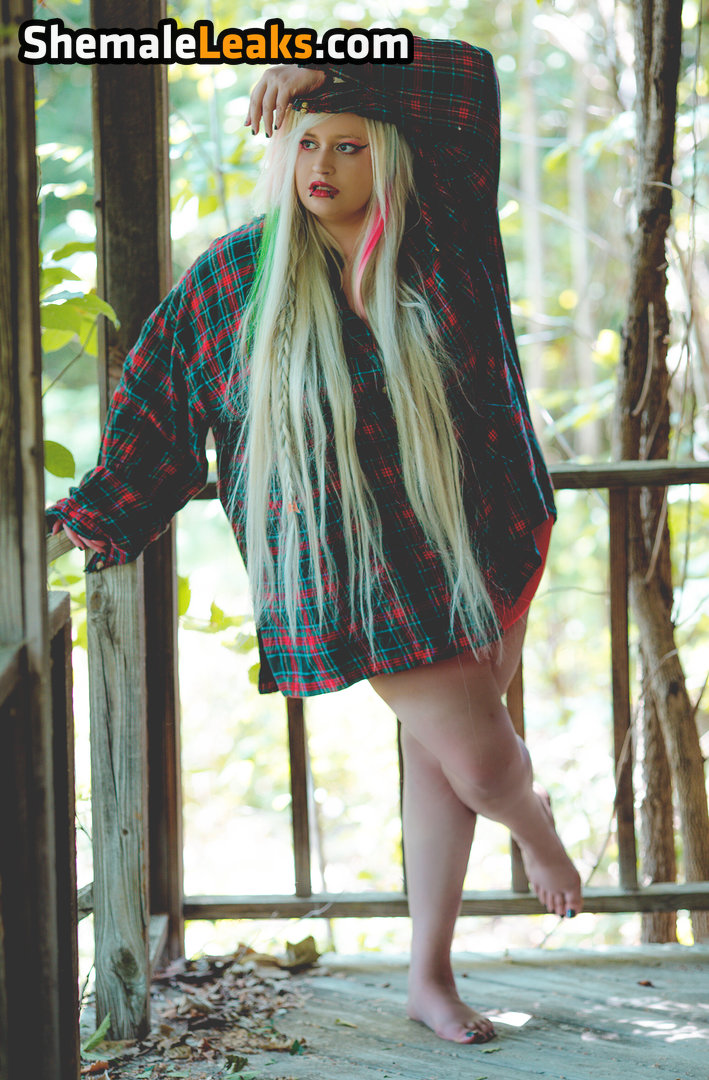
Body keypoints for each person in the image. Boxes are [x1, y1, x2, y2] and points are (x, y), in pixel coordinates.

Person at [48, 35, 582, 1045]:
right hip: (360, 578)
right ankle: (538, 827)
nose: (321, 166)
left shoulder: (442, 225)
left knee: (439, 762)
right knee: (481, 765)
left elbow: (464, 77)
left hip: (483, 533)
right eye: (305, 144)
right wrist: (97, 513)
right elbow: (159, 402)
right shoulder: (236, 278)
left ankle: (428, 976)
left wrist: (310, 64)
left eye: (345, 144)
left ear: (388, 154)